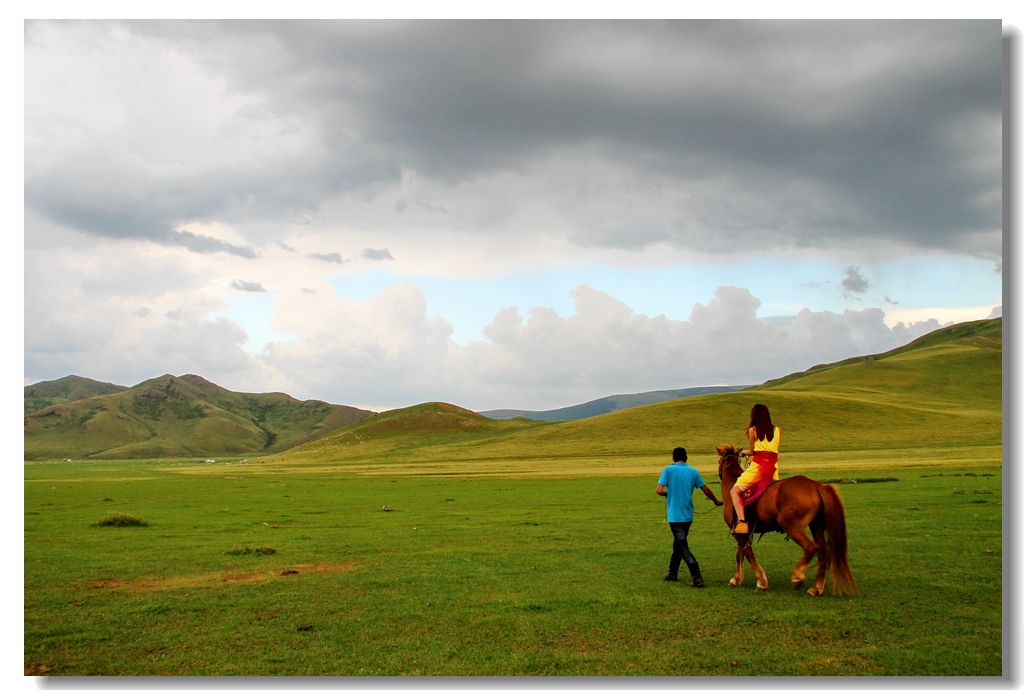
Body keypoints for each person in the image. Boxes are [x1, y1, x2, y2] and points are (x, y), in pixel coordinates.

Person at [656, 446, 723, 587]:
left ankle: (697, 577)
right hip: (688, 515)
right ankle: (672, 573)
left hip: (675, 516)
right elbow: (705, 489)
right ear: (686, 458)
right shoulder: (693, 471)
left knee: (682, 545)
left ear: (673, 458)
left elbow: (659, 490)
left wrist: (668, 494)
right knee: (678, 543)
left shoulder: (668, 470)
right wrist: (716, 501)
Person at [729, 403, 781, 535]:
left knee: (734, 492)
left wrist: (743, 453)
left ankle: (742, 523)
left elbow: (752, 451)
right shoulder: (778, 430)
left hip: (758, 468)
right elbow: (770, 451)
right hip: (773, 467)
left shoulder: (754, 430)